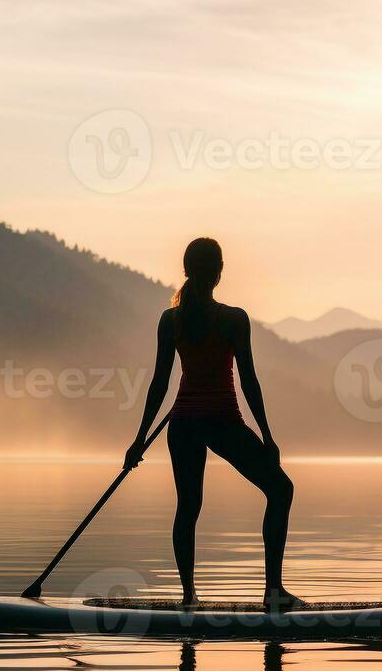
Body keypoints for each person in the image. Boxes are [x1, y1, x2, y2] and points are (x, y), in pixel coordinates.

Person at [126, 237, 301, 610]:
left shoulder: (170, 319)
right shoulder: (233, 319)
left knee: (188, 507)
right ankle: (273, 592)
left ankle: (189, 596)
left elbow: (159, 383)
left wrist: (139, 440)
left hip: (185, 423)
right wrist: (268, 436)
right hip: (222, 421)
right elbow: (249, 381)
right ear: (219, 273)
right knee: (281, 490)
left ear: (187, 270)